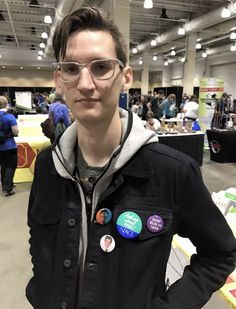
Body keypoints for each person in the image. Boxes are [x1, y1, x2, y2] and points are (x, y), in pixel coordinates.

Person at [26, 6, 236, 309]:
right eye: (72, 69)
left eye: (100, 67)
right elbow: (39, 238)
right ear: (59, 80)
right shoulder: (48, 166)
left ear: (126, 77)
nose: (85, 84)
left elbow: (220, 253)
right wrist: (41, 291)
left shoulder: (171, 172)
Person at [0, 96, 19, 196]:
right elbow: (16, 131)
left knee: (3, 165)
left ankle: (5, 184)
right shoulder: (9, 117)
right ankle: (8, 188)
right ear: (6, 103)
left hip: (0, 146)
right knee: (11, 166)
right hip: (9, 145)